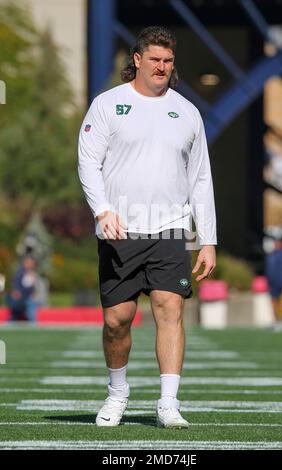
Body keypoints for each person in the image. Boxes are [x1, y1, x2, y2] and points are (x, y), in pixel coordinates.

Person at [78, 26, 217, 428]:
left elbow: (201, 179)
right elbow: (88, 160)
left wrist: (207, 238)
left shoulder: (187, 112)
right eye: (155, 59)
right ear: (137, 59)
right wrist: (102, 210)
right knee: (116, 320)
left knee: (169, 308)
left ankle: (168, 403)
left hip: (172, 229)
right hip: (120, 230)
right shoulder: (108, 105)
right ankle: (117, 394)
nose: (162, 67)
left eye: (168, 61)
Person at [6, 255, 40, 322]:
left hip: (24, 297)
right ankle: (33, 326)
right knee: (31, 309)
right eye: (31, 263)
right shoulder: (21, 272)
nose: (33, 265)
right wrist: (16, 292)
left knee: (14, 316)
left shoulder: (28, 272)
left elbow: (29, 287)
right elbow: (16, 284)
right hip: (21, 298)